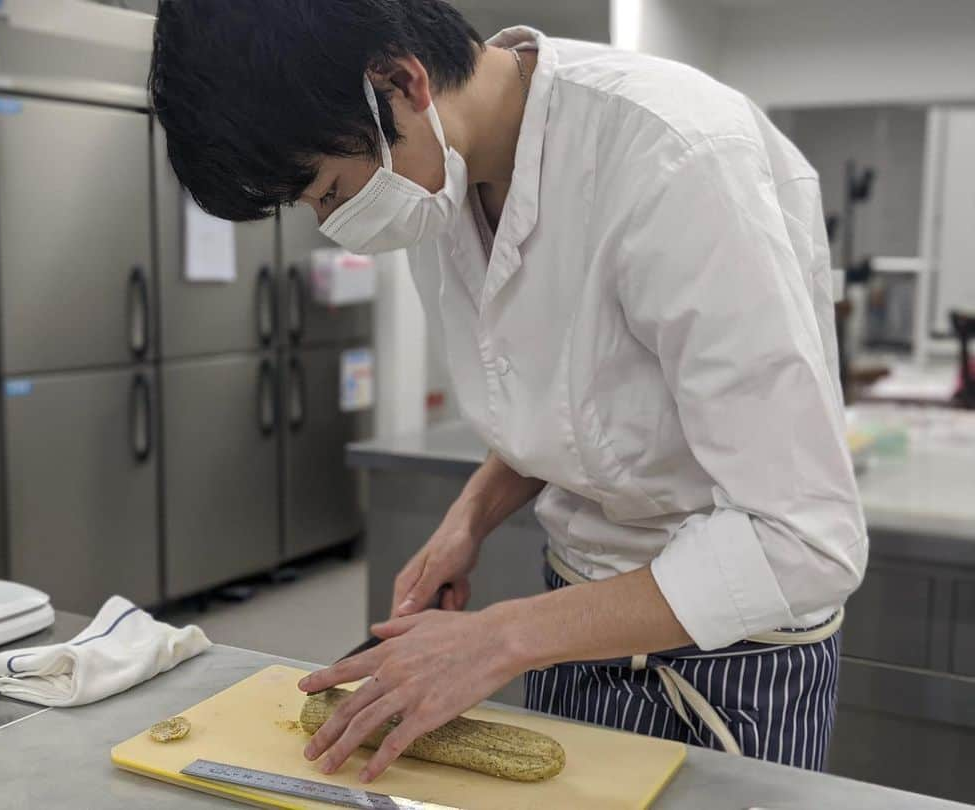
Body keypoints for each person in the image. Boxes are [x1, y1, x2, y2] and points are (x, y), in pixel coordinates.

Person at [149, 0, 867, 783]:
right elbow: (585, 401)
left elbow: (804, 542)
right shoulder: (445, 181)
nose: (333, 221)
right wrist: (471, 517)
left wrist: (500, 638)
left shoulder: (679, 158)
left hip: (731, 664)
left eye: (327, 191)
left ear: (398, 82)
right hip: (568, 626)